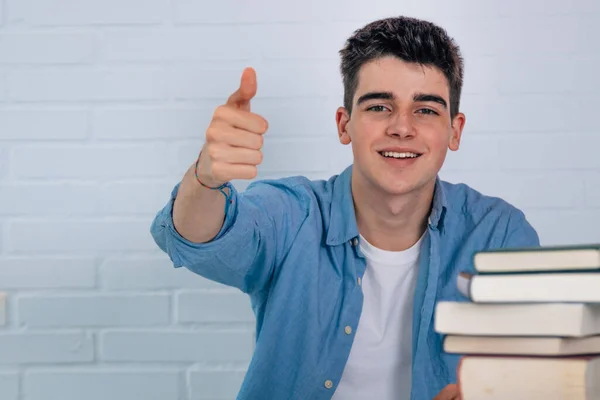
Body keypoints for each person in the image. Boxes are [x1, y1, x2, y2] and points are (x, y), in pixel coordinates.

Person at [150, 15, 539, 400]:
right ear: (344, 124)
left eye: (426, 110)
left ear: (454, 131)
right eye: (379, 107)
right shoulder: (292, 215)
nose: (402, 127)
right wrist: (206, 177)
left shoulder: (499, 234)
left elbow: (542, 364)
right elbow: (195, 236)